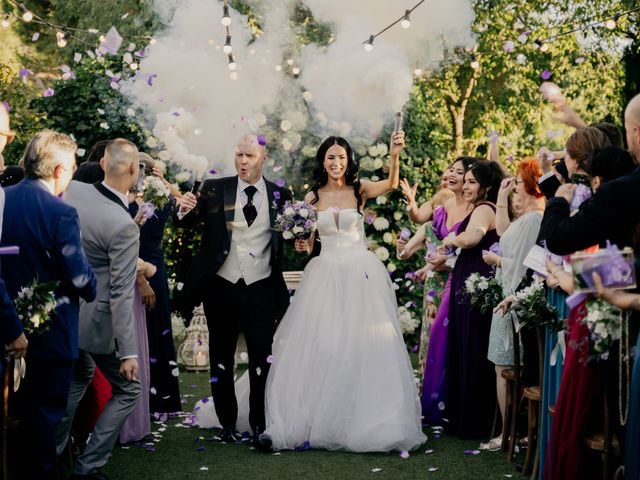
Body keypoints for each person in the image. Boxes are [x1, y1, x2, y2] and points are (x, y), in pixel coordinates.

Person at [259, 133, 426, 452]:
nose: (337, 163)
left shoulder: (359, 190)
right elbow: (308, 243)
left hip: (360, 274)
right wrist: (303, 242)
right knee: (325, 345)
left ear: (349, 161)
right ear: (323, 161)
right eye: (331, 157)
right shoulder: (310, 198)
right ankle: (313, 417)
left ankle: (364, 417)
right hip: (325, 274)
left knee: (363, 346)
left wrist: (395, 155)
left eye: (342, 157)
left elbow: (391, 184)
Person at [176, 134, 291, 448]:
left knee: (260, 359)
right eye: (239, 154)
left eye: (249, 156)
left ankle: (258, 426)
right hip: (222, 287)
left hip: (263, 288)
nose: (242, 161)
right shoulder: (214, 189)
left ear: (263, 157)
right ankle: (227, 423)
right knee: (221, 357)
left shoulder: (281, 194)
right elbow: (185, 221)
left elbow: (293, 238)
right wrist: (183, 208)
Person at [0, 130, 97, 480]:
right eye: (71, 168)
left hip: (6, 328)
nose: (70, 176)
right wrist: (93, 284)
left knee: (15, 421)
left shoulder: (3, 199)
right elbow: (80, 278)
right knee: (43, 424)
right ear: (58, 170)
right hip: (51, 336)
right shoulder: (60, 212)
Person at [56, 138, 142, 480]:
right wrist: (128, 352)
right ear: (134, 170)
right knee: (130, 389)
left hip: (63, 311)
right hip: (95, 323)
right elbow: (121, 292)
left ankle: (49, 455)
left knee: (77, 377)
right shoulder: (122, 225)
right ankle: (87, 467)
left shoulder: (74, 191)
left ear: (102, 164)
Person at [397, 157, 475, 425]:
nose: (452, 174)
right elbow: (419, 217)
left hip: (459, 280)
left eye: (459, 172)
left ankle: (452, 399)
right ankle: (432, 400)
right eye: (450, 169)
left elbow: (470, 244)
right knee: (433, 340)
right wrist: (410, 202)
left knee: (450, 340)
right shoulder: (444, 205)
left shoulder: (474, 208)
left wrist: (445, 260)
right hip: (436, 282)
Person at [482, 158, 545, 450]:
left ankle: (508, 435)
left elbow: (524, 265)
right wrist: (500, 197)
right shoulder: (526, 218)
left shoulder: (535, 219)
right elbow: (504, 233)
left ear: (531, 185)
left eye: (518, 181)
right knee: (502, 369)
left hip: (514, 299)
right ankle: (508, 432)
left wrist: (497, 261)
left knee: (505, 371)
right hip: (507, 294)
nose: (515, 185)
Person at [441, 160, 506, 439]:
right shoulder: (484, 208)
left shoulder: (483, 208)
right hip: (469, 284)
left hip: (474, 289)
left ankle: (473, 419)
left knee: (471, 346)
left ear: (486, 187)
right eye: (464, 181)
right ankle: (464, 415)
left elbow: (473, 237)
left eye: (471, 182)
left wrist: (450, 240)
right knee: (466, 344)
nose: (465, 186)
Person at [129, 152, 183, 413]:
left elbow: (185, 205)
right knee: (152, 328)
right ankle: (159, 396)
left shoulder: (143, 199)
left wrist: (166, 184)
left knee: (153, 328)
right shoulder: (161, 198)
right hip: (146, 265)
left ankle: (153, 398)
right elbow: (183, 201)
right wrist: (168, 184)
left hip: (144, 264)